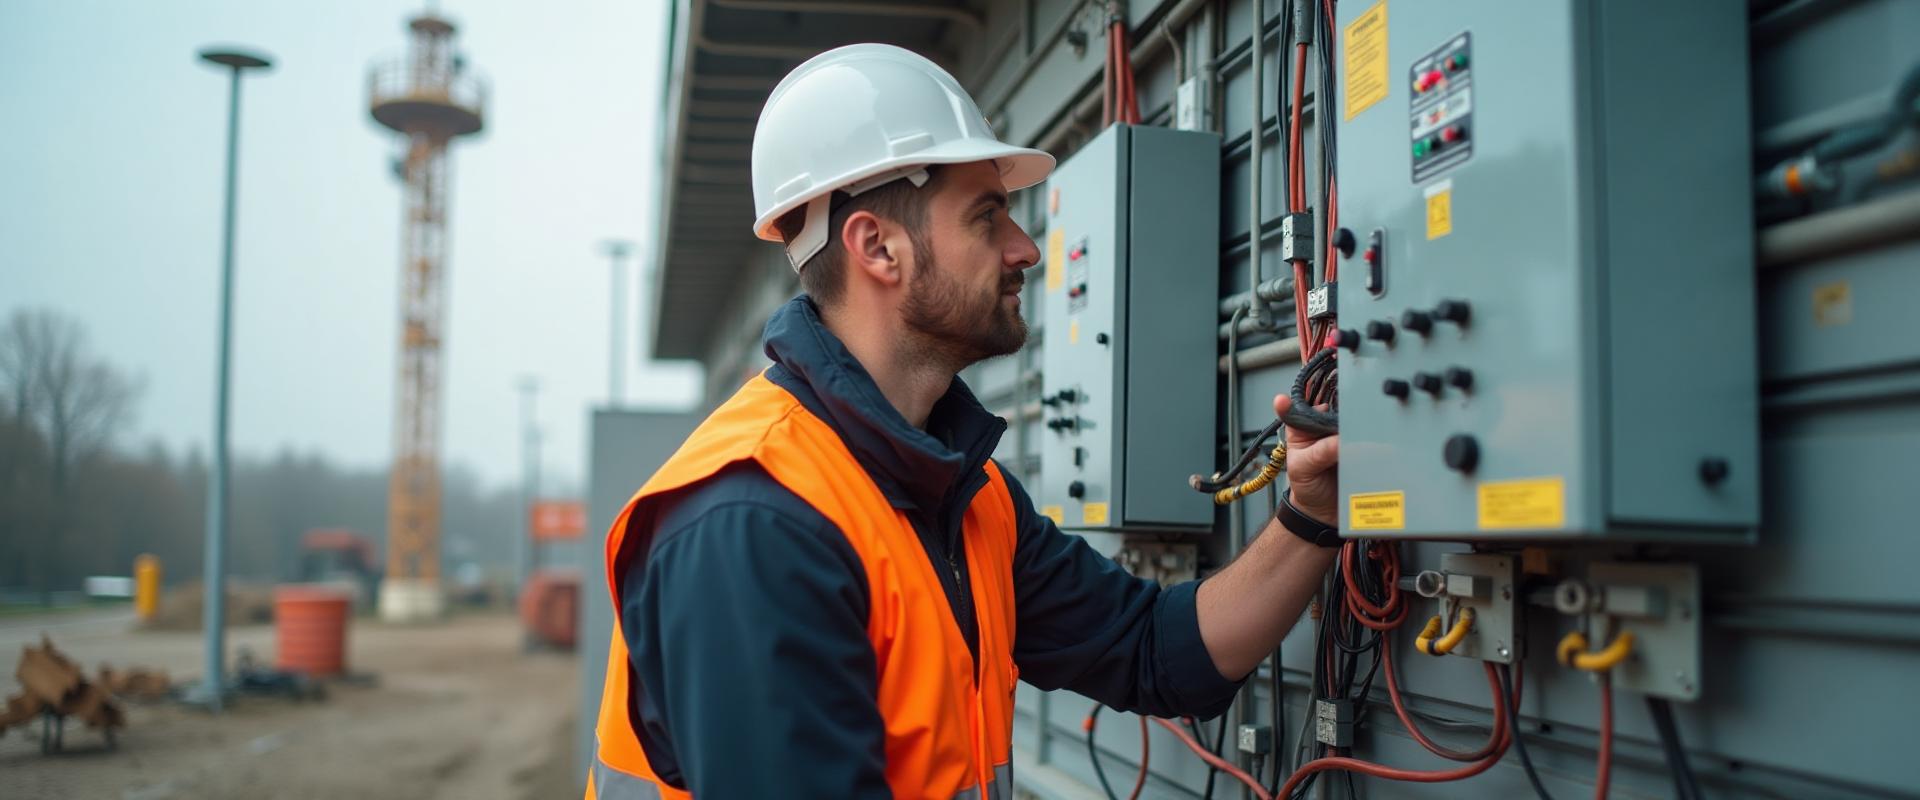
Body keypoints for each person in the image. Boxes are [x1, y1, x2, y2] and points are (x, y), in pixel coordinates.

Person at [586, 43, 1341, 800]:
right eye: (987, 218)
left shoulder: (962, 489)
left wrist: (1310, 508)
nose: (1026, 249)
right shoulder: (754, 521)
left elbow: (1154, 650)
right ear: (878, 247)